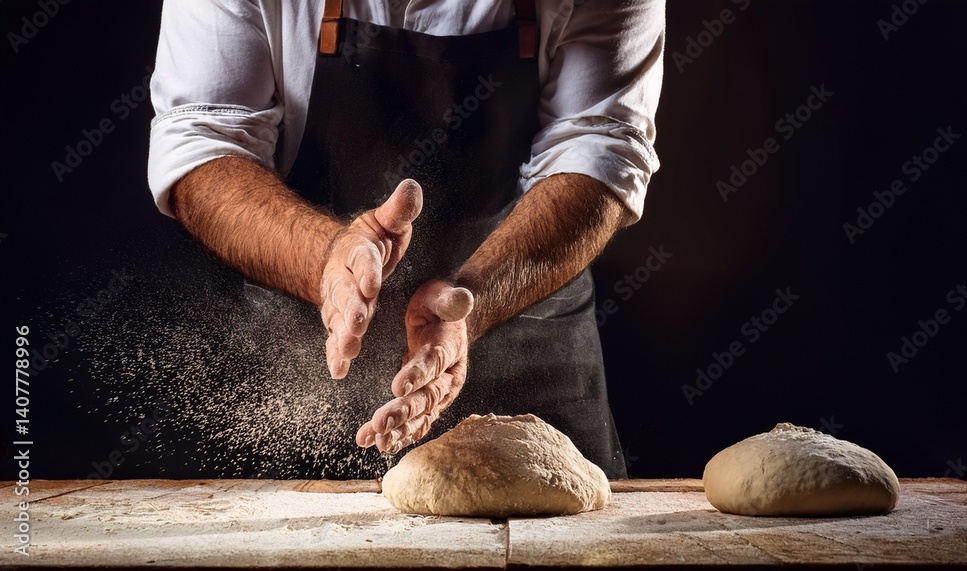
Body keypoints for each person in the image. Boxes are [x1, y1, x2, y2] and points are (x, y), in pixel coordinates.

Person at [148, 0, 663, 478]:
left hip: (525, 328)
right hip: (297, 365)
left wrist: (473, 302)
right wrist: (327, 260)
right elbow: (203, 137)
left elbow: (599, 140)